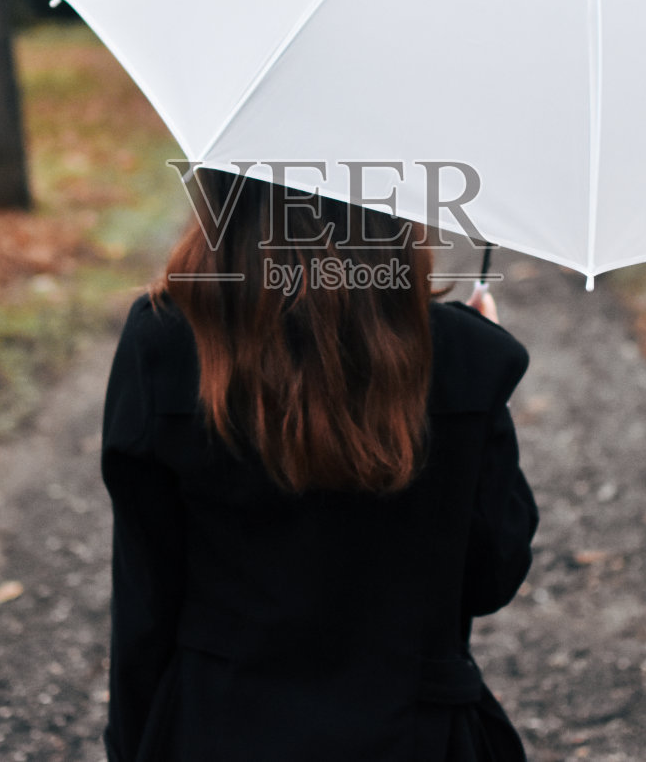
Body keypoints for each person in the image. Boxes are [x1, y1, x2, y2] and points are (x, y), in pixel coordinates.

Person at [100, 168, 538, 762]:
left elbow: (144, 603)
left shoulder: (164, 348)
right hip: (416, 736)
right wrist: (478, 383)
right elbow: (491, 576)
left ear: (226, 188)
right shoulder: (464, 357)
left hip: (220, 729)